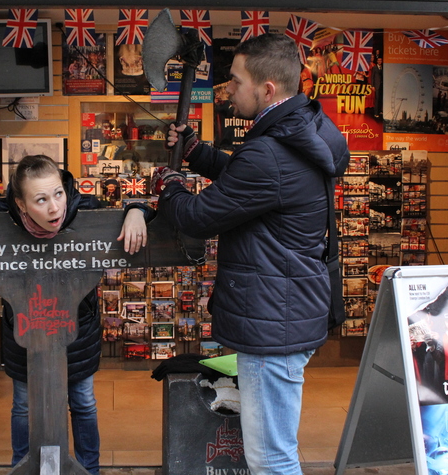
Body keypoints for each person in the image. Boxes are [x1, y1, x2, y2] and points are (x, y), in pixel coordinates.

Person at [149, 34, 349, 475]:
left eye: (236, 82)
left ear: (267, 90)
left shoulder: (270, 152)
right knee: (274, 450)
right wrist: (199, 153)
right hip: (287, 312)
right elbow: (253, 182)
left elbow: (199, 216)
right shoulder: (303, 130)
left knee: (271, 458)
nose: (228, 90)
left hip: (273, 327)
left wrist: (170, 184)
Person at [0, 155, 153, 474]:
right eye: (41, 200)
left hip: (78, 330)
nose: (55, 208)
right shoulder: (2, 218)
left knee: (83, 402)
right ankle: (22, 465)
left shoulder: (84, 208)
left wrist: (136, 210)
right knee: (23, 405)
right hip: (25, 331)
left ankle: (89, 469)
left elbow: (134, 213)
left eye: (58, 194)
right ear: (21, 204)